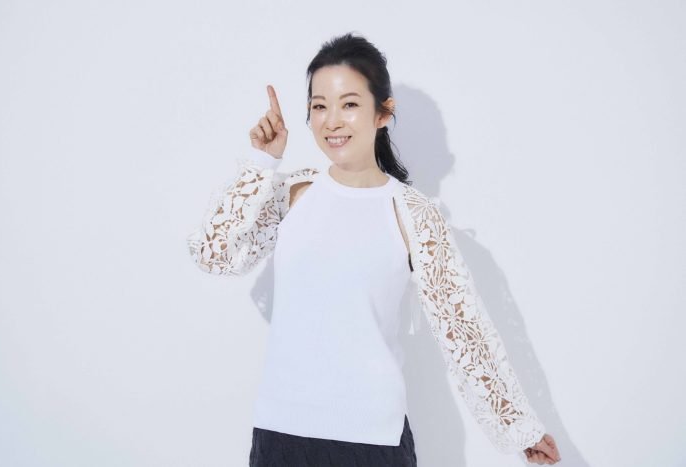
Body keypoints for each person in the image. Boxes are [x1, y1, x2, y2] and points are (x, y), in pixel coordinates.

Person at [187, 32, 561, 466]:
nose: (331, 121)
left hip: (371, 440)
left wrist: (519, 430)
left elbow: (463, 329)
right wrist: (262, 162)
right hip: (281, 434)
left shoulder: (412, 214)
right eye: (319, 106)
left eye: (348, 104)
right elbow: (213, 254)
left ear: (382, 112)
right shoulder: (293, 194)